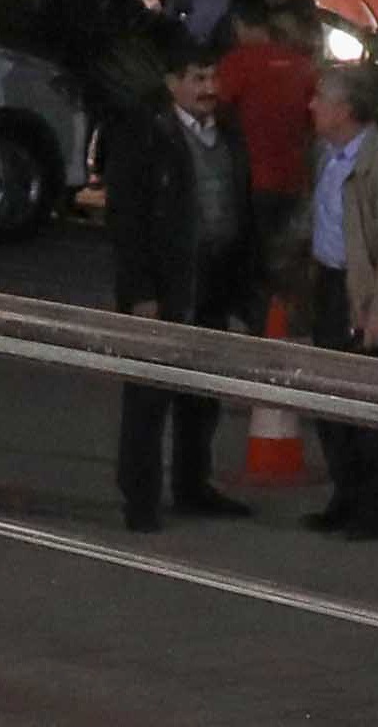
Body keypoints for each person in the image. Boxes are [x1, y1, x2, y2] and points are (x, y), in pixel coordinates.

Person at [96, 40, 259, 527]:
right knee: (149, 395)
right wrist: (142, 291)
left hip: (213, 278)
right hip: (164, 284)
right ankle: (140, 499)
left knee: (200, 394)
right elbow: (127, 221)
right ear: (172, 84)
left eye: (213, 78)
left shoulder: (227, 131)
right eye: (198, 79)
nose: (210, 89)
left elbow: (240, 204)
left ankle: (192, 485)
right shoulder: (144, 135)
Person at [295, 64, 378, 538]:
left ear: (345, 109)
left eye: (320, 98)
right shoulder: (326, 155)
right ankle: (345, 497)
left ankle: (373, 511)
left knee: (371, 408)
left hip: (364, 294)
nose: (311, 106)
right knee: (331, 403)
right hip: (330, 285)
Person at [216, 0, 325, 315]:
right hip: (292, 180)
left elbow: (218, 109)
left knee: (253, 259)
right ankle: (280, 317)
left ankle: (258, 319)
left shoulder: (238, 63)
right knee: (283, 259)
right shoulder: (304, 67)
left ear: (239, 25)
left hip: (251, 180)